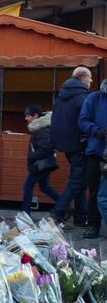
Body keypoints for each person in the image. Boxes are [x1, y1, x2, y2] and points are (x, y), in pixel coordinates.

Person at [50, 66, 92, 227]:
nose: (91, 81)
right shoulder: (82, 97)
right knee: (77, 181)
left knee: (79, 181)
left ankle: (81, 217)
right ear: (82, 79)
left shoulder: (62, 96)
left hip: (64, 144)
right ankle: (57, 212)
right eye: (89, 78)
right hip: (78, 144)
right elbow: (85, 120)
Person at [78, 78, 107, 239]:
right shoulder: (94, 98)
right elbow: (82, 121)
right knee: (95, 191)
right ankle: (93, 225)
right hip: (96, 151)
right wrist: (97, 131)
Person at [22, 104, 60, 214]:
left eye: (28, 116)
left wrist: (31, 156)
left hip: (39, 165)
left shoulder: (41, 129)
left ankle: (25, 214)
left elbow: (45, 148)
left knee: (28, 187)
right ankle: (63, 204)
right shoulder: (42, 127)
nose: (26, 118)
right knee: (45, 187)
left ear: (36, 116)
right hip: (44, 164)